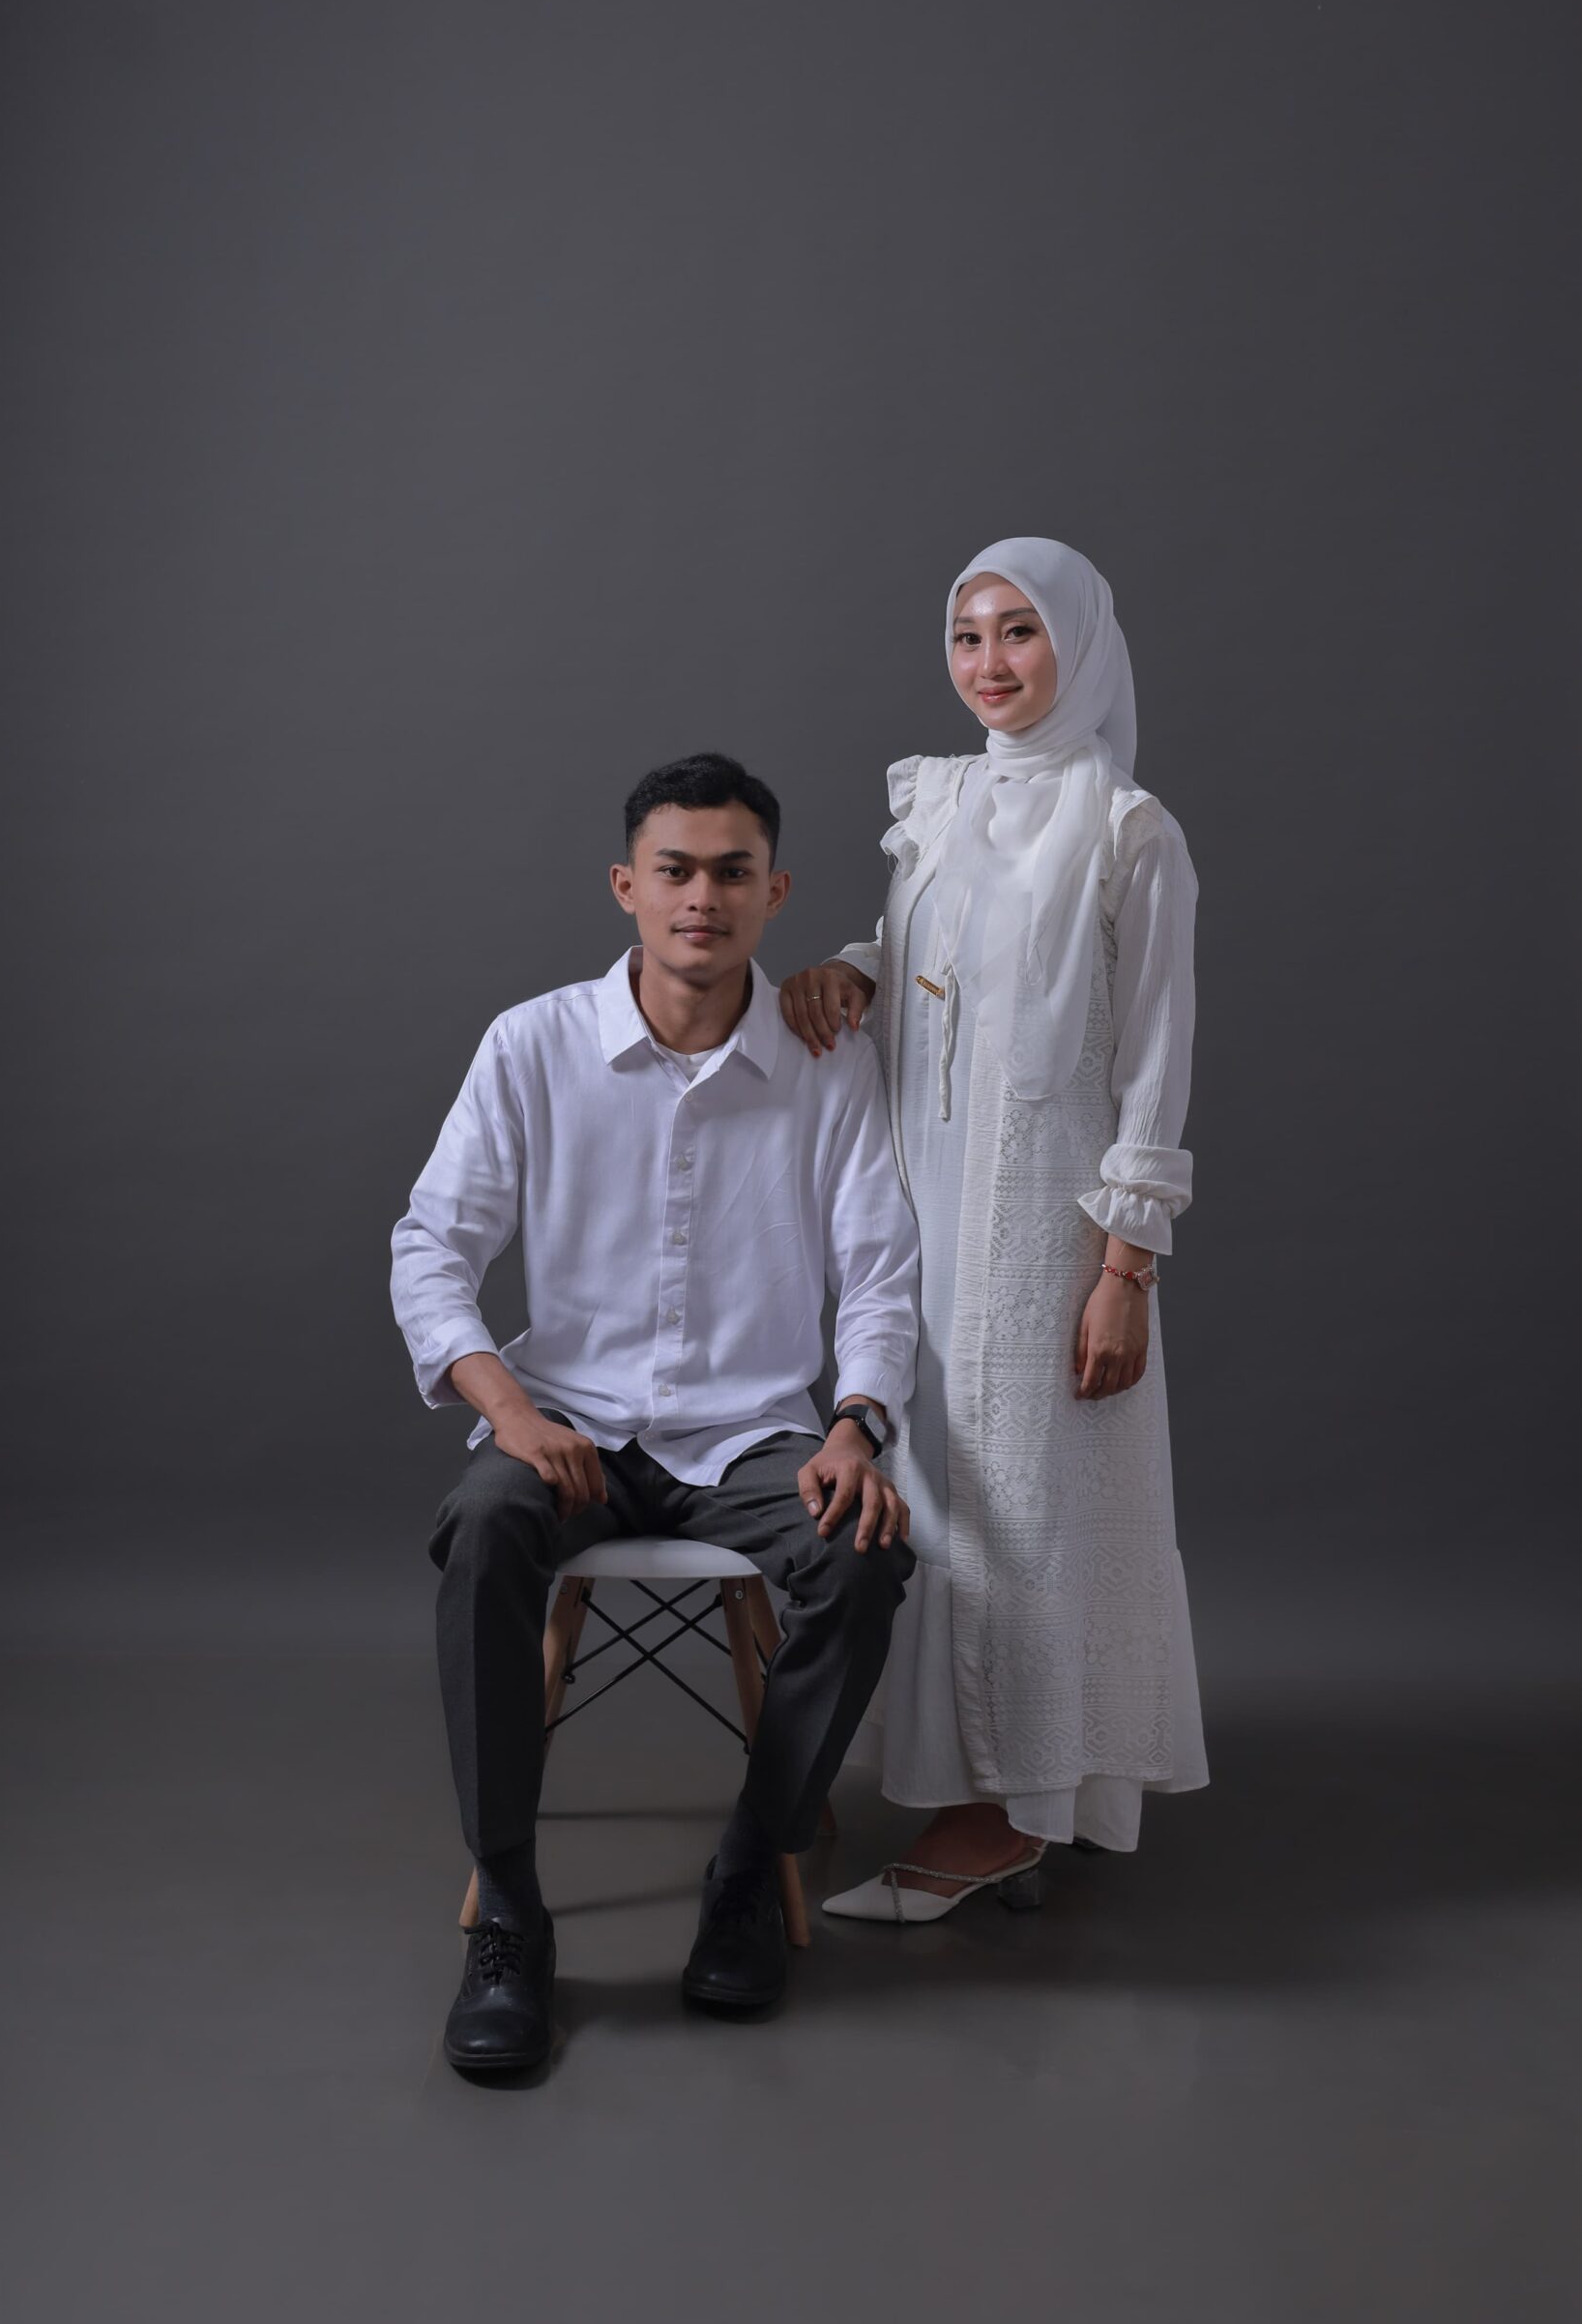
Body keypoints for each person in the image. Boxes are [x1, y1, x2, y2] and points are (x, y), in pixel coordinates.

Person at [391, 752, 920, 2071]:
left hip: (752, 1437)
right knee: (484, 1528)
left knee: (865, 1551)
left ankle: (747, 1866)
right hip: (568, 1425)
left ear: (774, 892)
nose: (703, 899)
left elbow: (878, 1274)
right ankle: (510, 1910)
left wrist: (854, 1426)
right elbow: (430, 1248)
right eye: (674, 871)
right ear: (626, 886)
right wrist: (510, 1412)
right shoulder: (533, 1044)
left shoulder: (825, 1061)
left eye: (733, 873)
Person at [779, 539, 1208, 1925]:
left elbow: (1154, 1059)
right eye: (966, 635)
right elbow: (936, 953)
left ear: (1079, 643)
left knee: (1027, 1502)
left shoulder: (1128, 830)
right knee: (939, 1483)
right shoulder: (943, 802)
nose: (988, 663)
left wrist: (1126, 1266)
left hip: (1045, 1223)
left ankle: (1001, 1812)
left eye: (1019, 631)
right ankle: (991, 1782)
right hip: (926, 1196)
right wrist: (856, 968)